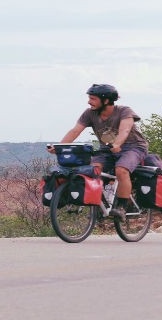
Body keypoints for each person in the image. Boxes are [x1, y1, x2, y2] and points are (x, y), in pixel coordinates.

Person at [48, 83, 148, 220]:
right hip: (107, 148)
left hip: (133, 147)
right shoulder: (89, 113)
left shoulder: (125, 111)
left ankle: (122, 208)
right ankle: (100, 206)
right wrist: (60, 147)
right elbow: (75, 130)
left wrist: (118, 144)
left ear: (106, 100)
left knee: (121, 170)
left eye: (93, 99)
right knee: (93, 171)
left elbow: (124, 130)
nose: (89, 101)